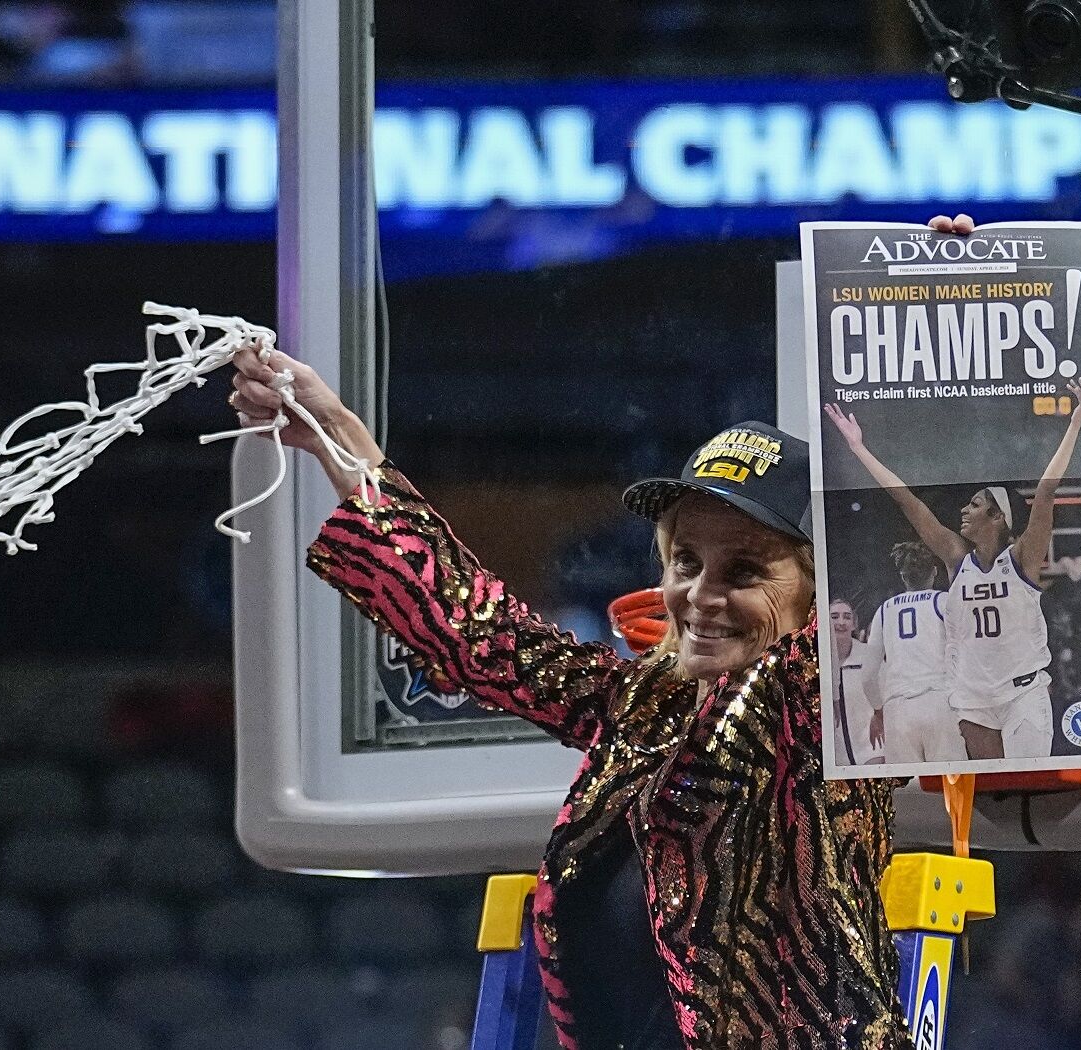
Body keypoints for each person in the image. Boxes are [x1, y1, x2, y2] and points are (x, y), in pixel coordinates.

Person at [221, 213, 990, 1049]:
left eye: (745, 571)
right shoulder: (645, 708)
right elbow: (480, 635)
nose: (700, 594)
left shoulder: (830, 698)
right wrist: (340, 438)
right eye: (685, 560)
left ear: (822, 594)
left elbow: (932, 552)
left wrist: (934, 295)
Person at [824, 372, 1081, 761]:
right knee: (988, 793)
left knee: (1024, 782)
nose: (963, 511)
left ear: (997, 516)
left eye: (974, 505)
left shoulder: (1022, 557)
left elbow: (1047, 491)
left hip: (1023, 692)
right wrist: (859, 449)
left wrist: (1076, 420)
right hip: (972, 697)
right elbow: (909, 503)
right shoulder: (957, 557)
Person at [861, 542, 965, 765]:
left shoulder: (885, 609)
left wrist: (879, 711)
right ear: (934, 572)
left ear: (903, 576)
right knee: (952, 787)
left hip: (898, 710)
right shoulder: (944, 600)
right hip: (940, 702)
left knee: (908, 793)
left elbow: (868, 675)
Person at [828, 596, 882, 767]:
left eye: (847, 616)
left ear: (854, 624)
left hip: (872, 749)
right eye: (834, 617)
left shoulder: (868, 655)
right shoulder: (816, 663)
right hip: (837, 756)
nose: (841, 622)